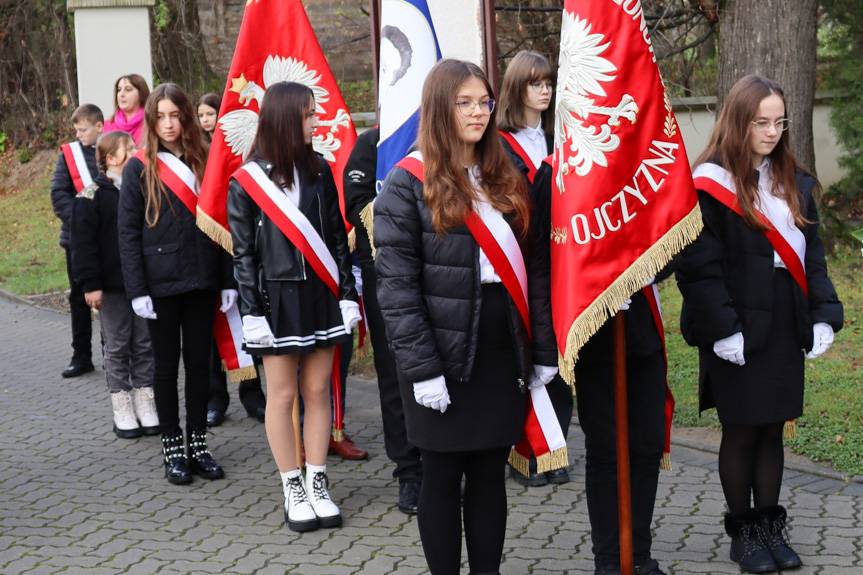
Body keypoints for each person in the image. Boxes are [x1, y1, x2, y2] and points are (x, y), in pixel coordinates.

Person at [375, 59, 549, 575]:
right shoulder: (406, 184)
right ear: (439, 108)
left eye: (484, 102)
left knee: (490, 475)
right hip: (438, 353)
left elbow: (534, 269)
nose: (478, 113)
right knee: (443, 475)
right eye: (465, 103)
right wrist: (423, 368)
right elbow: (397, 290)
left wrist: (541, 349)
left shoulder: (505, 174)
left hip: (500, 347)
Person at [675, 74, 843, 574]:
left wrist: (823, 315)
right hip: (737, 322)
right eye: (761, 122)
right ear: (738, 122)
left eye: (779, 122)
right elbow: (699, 267)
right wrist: (722, 327)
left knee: (773, 428)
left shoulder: (792, 176)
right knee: (742, 430)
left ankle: (770, 526)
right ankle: (743, 532)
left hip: (785, 317)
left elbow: (812, 258)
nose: (772, 132)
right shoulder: (709, 180)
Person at [227, 81, 359, 533]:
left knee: (319, 391)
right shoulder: (246, 181)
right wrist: (252, 311)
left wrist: (346, 294)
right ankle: (292, 485)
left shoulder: (320, 169)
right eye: (308, 115)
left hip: (321, 294)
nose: (316, 121)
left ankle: (318, 479)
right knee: (282, 396)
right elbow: (243, 255)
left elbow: (338, 240)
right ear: (285, 119)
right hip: (275, 301)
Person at [530, 154, 669, 575]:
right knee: (608, 448)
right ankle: (610, 559)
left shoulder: (646, 159)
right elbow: (540, 251)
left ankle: (639, 554)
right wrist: (599, 278)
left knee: (645, 445)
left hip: (640, 327)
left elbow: (679, 230)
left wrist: (643, 269)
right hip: (591, 333)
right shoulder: (556, 170)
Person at [118, 83, 232, 486]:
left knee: (200, 365)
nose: (168, 124)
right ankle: (172, 448)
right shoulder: (138, 167)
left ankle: (198, 443)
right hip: (159, 285)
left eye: (174, 115)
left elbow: (222, 222)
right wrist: (137, 291)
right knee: (166, 368)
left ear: (185, 116)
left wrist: (227, 278)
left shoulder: (206, 161)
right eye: (160, 116)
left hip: (201, 278)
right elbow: (128, 234)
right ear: (151, 120)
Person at [498, 49, 572, 488]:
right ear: (517, 87)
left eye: (547, 82)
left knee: (558, 355)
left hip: (562, 259)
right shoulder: (501, 144)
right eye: (534, 83)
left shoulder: (559, 136)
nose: (543, 90)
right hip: (521, 261)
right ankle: (522, 452)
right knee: (526, 353)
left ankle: (554, 446)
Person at [343, 125, 422, 512]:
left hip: (437, 270)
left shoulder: (438, 137)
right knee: (394, 373)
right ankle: (409, 471)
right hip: (384, 270)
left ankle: (441, 465)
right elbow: (355, 204)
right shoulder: (369, 143)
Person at [71, 130, 159, 439]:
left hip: (142, 285)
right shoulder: (90, 197)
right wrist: (90, 285)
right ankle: (122, 404)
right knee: (118, 344)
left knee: (145, 344)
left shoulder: (140, 188)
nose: (136, 151)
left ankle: (145, 400)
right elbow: (83, 247)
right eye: (129, 148)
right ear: (111, 159)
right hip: (110, 287)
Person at [50, 103, 104, 378]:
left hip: (108, 240)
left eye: (83, 130)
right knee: (78, 299)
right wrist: (82, 224)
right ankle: (81, 355)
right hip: (77, 240)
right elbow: (59, 193)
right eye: (77, 130)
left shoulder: (111, 150)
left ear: (99, 126)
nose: (80, 135)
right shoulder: (68, 156)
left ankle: (113, 352)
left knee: (112, 297)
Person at [497, 50, 554, 181]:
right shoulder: (499, 142)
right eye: (537, 84)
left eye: (549, 84)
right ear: (517, 86)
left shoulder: (558, 139)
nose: (545, 91)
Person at [103, 74, 150, 146]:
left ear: (141, 94)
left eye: (128, 89)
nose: (121, 94)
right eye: (119, 90)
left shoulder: (151, 123)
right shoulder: (107, 125)